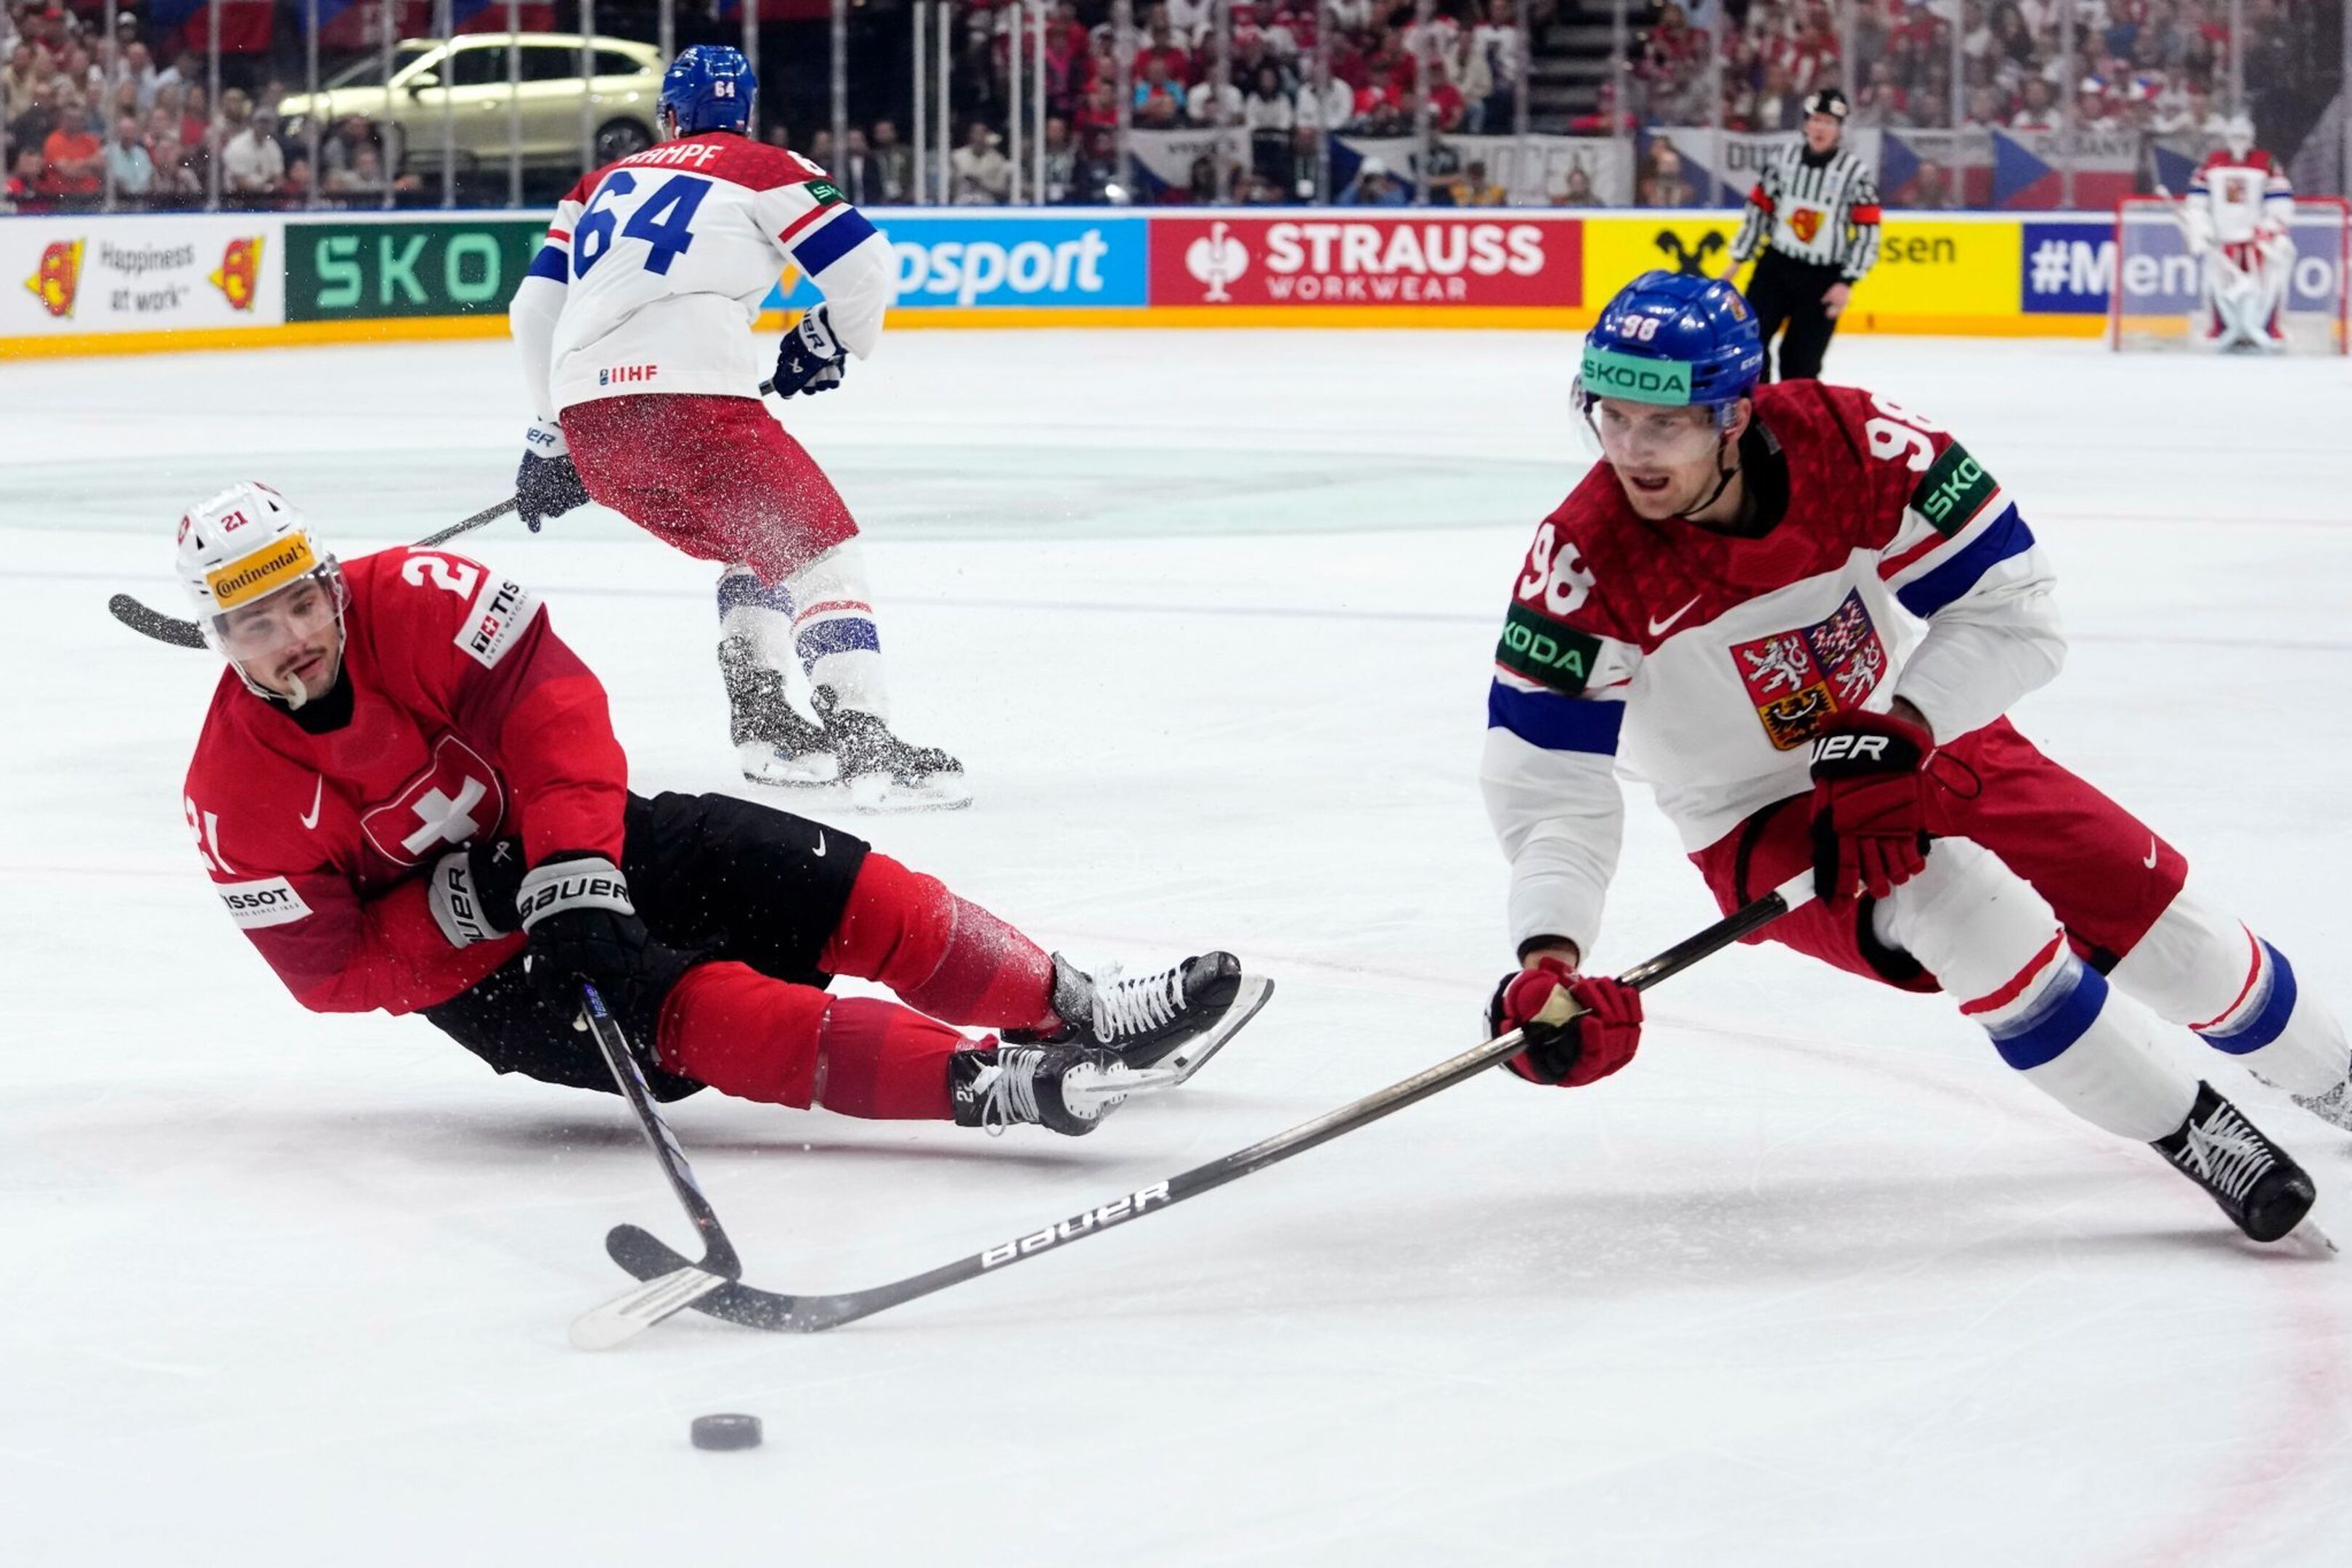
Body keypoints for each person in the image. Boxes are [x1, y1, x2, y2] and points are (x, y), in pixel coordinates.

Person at [1479, 271, 2349, 1247]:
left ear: (1732, 415)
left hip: (1921, 734)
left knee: (2165, 930)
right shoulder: (1583, 563)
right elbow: (1549, 789)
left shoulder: (1851, 443)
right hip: (1754, 811)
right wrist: (1545, 959)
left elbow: (2015, 611)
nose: (1630, 451)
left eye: (1663, 425)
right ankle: (2192, 1131)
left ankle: (2336, 1078)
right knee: (1959, 905)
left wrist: (1903, 722)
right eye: (1610, 417)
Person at [172, 483, 1271, 1138]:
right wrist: (463, 910)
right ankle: (985, 1086)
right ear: (218, 641)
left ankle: (1068, 1007)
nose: (292, 640)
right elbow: (327, 972)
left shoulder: (422, 600)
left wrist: (567, 866)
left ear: (332, 582)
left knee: (813, 871)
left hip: (583, 843)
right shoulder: (231, 797)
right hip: (485, 975)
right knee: (687, 1001)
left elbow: (554, 714)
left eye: (301, 605)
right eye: (255, 627)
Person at [508, 46, 969, 812]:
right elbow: (864, 267)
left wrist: (550, 438)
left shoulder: (597, 183)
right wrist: (828, 337)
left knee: (754, 545)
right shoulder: (759, 165)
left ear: (669, 116)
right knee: (820, 550)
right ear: (745, 114)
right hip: (694, 407)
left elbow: (533, 312)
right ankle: (864, 742)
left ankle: (766, 727)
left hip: (594, 423)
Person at [1723, 87, 1881, 382]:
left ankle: (1793, 425)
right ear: (1806, 123)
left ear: (1839, 130)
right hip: (1777, 266)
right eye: (1817, 120)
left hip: (1821, 278)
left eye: (1830, 122)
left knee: (1801, 363)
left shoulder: (1854, 173)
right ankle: (1757, 416)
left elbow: (1867, 230)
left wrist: (1846, 282)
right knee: (1750, 344)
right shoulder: (1783, 160)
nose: (1821, 128)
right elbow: (1760, 211)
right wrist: (1738, 260)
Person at [2181, 111, 2295, 352]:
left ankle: (2268, 328)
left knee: (2268, 285)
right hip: (2222, 241)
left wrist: (2268, 228)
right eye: (2234, 136)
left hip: (2255, 242)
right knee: (2216, 285)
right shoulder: (2212, 162)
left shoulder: (2267, 162)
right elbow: (2197, 203)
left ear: (2252, 137)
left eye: (2243, 136)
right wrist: (2203, 227)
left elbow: (2280, 203)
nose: (2239, 141)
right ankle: (2219, 328)